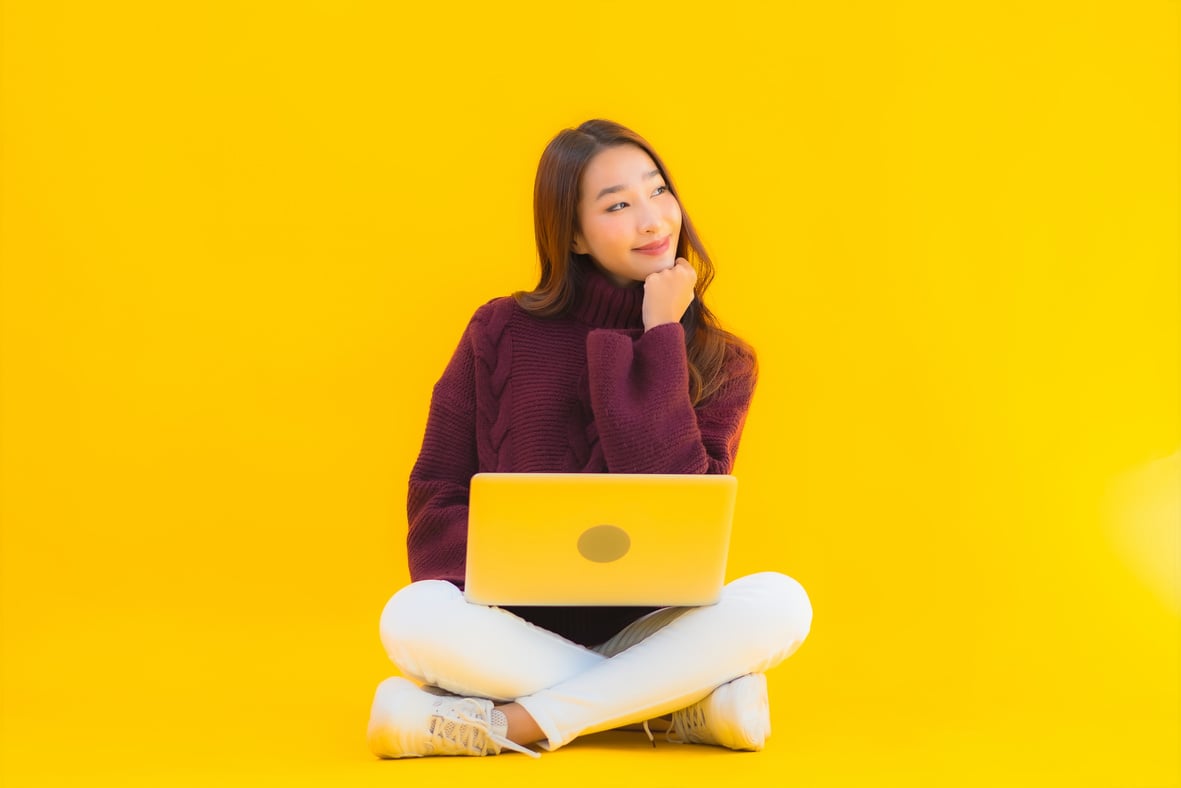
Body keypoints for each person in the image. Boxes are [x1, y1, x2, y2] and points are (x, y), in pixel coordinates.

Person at [367, 119, 813, 759]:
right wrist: (518, 552)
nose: (654, 220)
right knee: (412, 615)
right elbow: (433, 500)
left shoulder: (721, 361)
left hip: (652, 630)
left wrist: (660, 336)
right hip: (511, 632)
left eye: (658, 192)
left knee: (781, 602)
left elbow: (684, 506)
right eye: (619, 205)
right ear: (573, 234)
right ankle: (676, 704)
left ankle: (506, 725)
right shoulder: (499, 331)